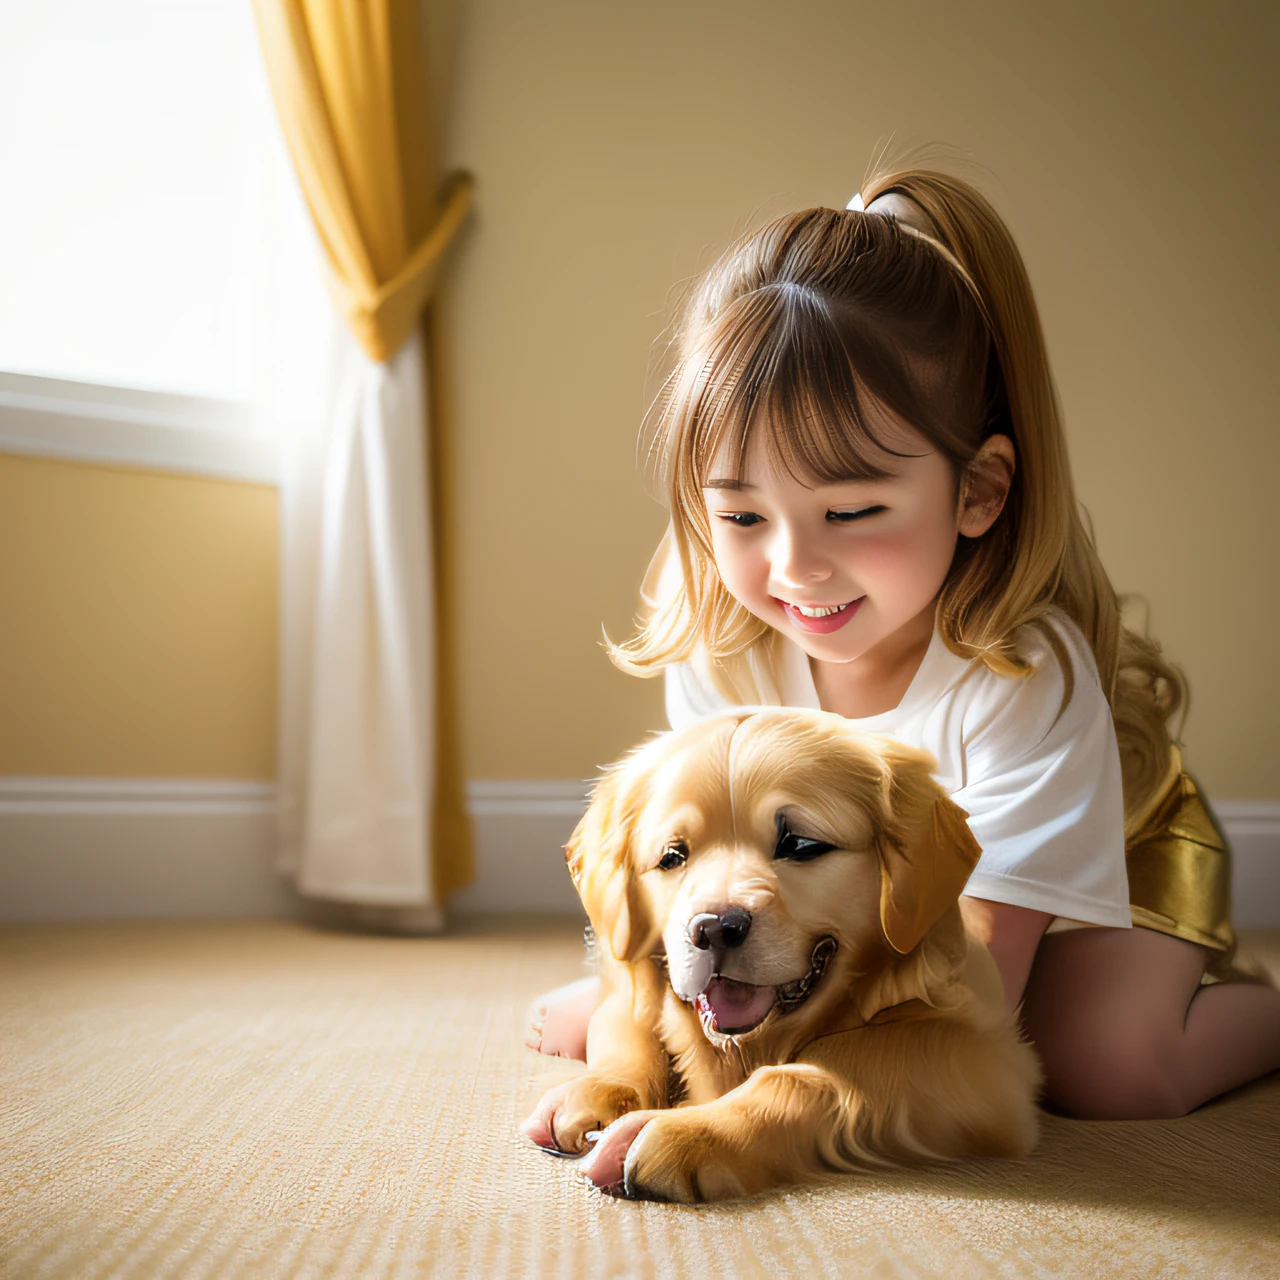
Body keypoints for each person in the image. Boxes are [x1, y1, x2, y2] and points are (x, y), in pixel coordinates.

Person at [524, 167, 1280, 1119]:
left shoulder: (1021, 674)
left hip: (1113, 866)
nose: (795, 567)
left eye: (851, 510)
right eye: (744, 514)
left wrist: (764, 1093)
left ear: (979, 492)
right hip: (893, 913)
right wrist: (654, 1007)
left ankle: (1260, 1009)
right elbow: (718, 874)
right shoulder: (725, 644)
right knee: (655, 1005)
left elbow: (972, 984)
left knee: (1105, 1068)